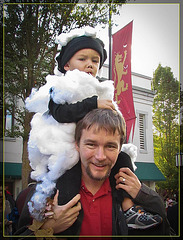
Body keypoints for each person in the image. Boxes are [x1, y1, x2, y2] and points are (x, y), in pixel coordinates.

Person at [24, 27, 162, 230]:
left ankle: (128, 207)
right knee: (67, 181)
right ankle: (52, 210)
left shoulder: (100, 88)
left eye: (95, 61)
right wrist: (48, 229)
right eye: (83, 59)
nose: (90, 64)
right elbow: (61, 113)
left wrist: (142, 194)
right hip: (65, 149)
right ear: (67, 65)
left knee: (123, 159)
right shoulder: (60, 87)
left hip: (87, 150)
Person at [15, 109, 170, 237]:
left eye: (110, 146)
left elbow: (165, 231)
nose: (100, 156)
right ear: (77, 145)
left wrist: (145, 196)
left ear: (120, 149)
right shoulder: (47, 191)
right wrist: (47, 229)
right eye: (91, 144)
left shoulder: (133, 194)